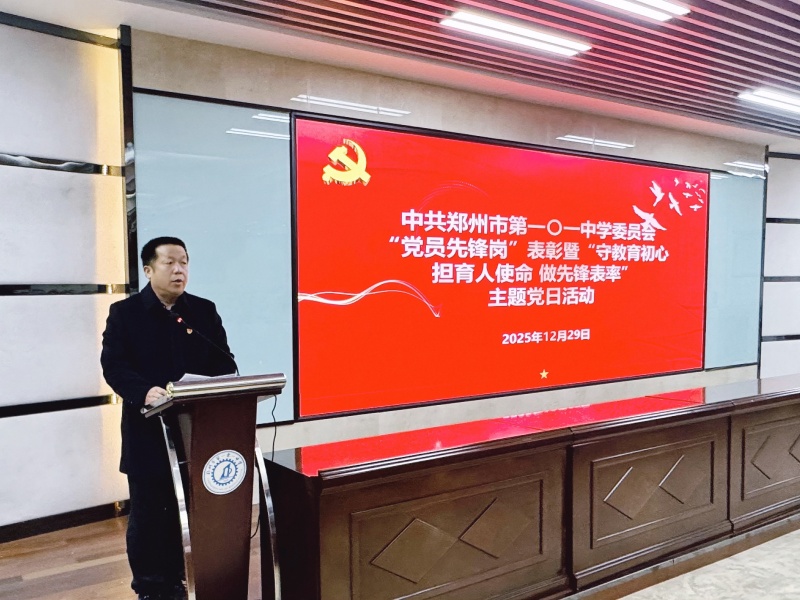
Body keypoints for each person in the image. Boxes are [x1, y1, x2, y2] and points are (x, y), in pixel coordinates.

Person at [101, 236, 236, 600]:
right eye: (170, 263)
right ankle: (151, 587)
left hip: (198, 430)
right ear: (148, 270)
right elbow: (114, 366)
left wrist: (221, 382)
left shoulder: (203, 311)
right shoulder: (125, 313)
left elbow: (224, 362)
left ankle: (184, 576)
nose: (179, 270)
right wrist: (145, 391)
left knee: (193, 510)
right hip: (148, 430)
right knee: (150, 513)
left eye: (184, 263)